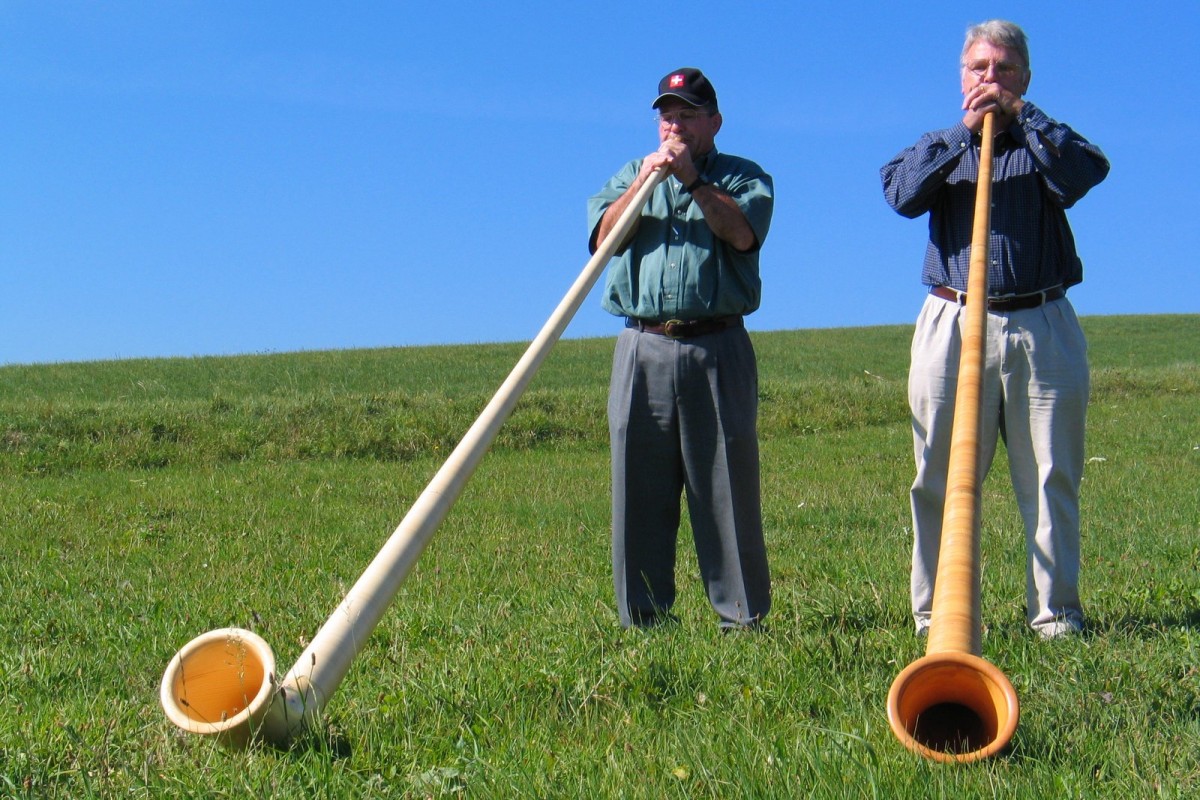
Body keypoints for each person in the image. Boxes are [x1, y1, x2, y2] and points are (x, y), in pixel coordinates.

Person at [881, 20, 1110, 638]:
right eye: (980, 68)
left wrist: (1023, 116)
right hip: (953, 320)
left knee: (1051, 474)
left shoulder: (1045, 144)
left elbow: (1087, 173)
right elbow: (901, 194)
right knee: (938, 474)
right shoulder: (941, 144)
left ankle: (1056, 614)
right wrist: (964, 135)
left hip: (1042, 320)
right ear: (962, 77)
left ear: (1025, 78)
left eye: (1005, 69)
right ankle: (940, 616)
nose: (991, 79)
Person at [587, 68, 774, 630]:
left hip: (716, 345)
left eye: (688, 115)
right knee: (637, 486)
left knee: (725, 487)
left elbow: (741, 233)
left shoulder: (744, 178)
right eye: (667, 115)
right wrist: (641, 187)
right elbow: (603, 241)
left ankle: (740, 619)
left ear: (713, 122)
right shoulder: (630, 175)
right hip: (641, 345)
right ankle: (642, 620)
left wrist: (691, 180)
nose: (674, 125)